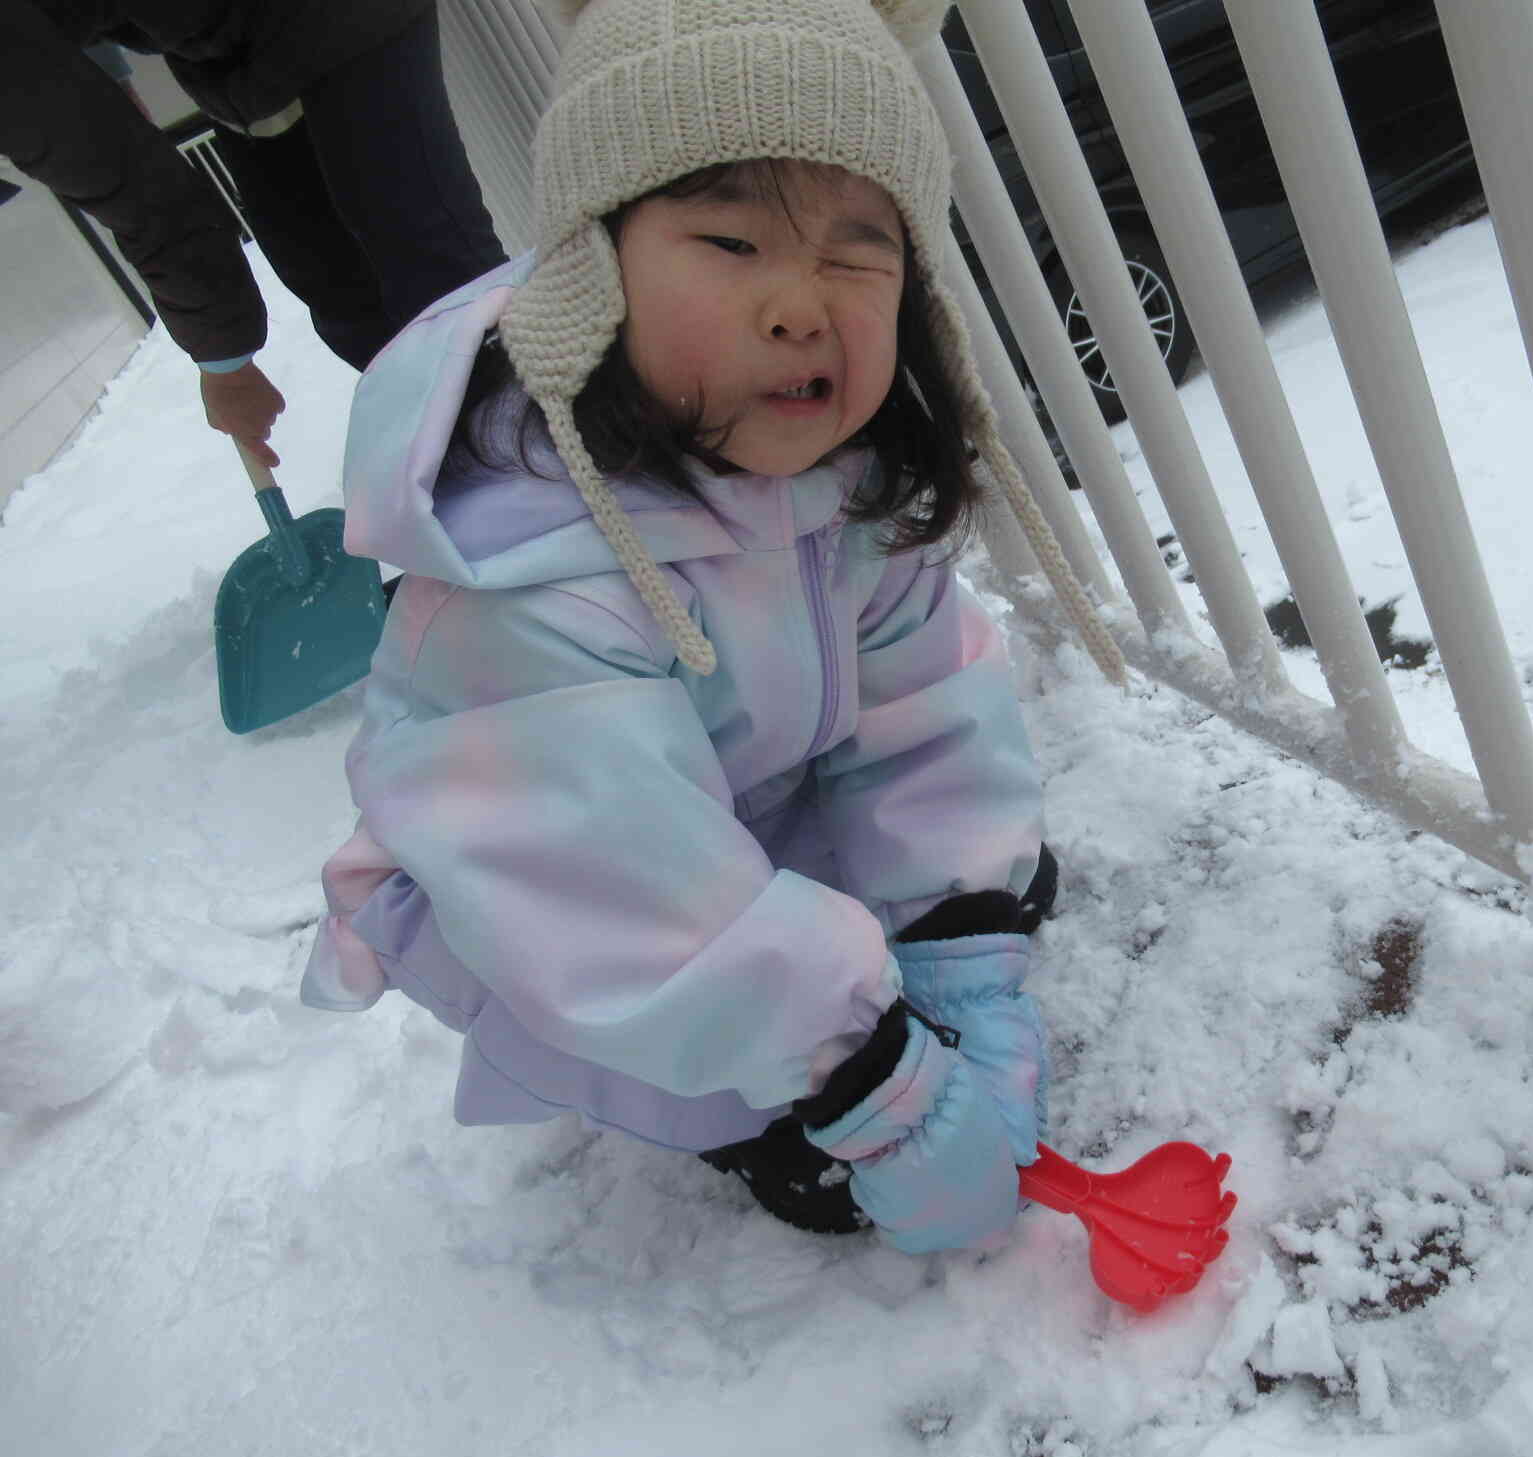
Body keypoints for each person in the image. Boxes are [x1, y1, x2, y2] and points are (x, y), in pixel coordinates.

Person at [298, 0, 1125, 1253]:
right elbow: (621, 896)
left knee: (943, 903)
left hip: (735, 804)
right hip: (555, 888)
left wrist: (959, 939)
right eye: (731, 240)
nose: (801, 305)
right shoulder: (529, 586)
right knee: (720, 1044)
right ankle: (754, 1122)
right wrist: (873, 1091)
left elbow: (921, 710)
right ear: (595, 273)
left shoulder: (837, 490)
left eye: (857, 253)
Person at [0, 2, 505, 467]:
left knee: (431, 267)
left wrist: (226, 367)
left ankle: (543, 468)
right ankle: (466, 473)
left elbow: (154, 205)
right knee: (333, 287)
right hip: (228, 46)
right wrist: (104, 72)